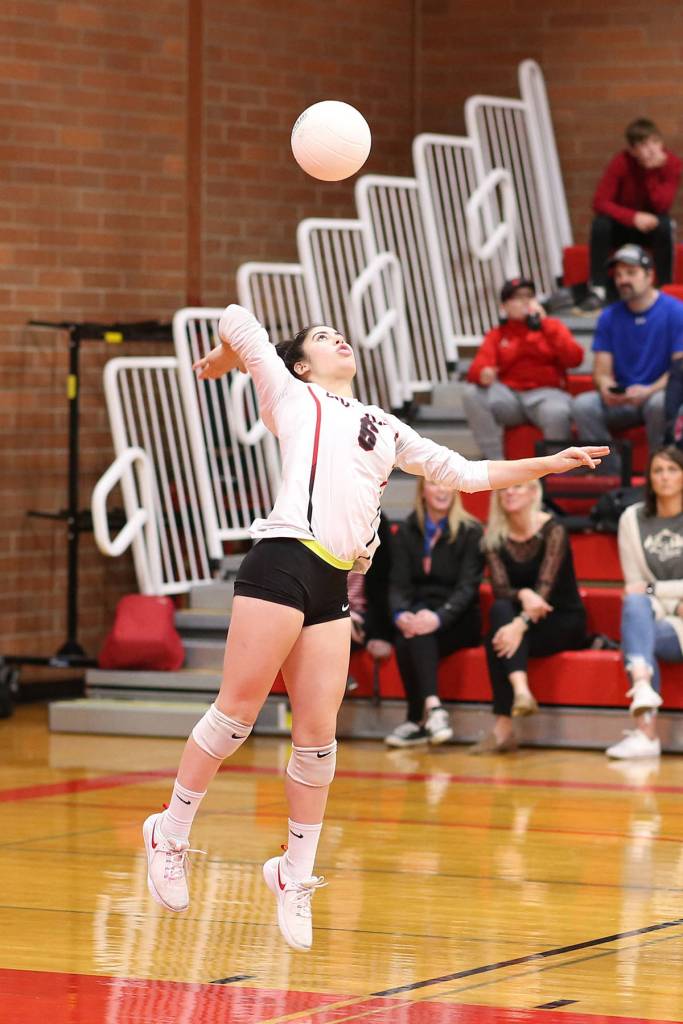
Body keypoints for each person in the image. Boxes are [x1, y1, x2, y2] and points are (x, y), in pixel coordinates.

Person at [141, 303, 608, 952]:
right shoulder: (288, 391)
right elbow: (234, 313)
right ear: (301, 362)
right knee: (235, 718)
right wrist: (230, 357)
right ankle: (169, 833)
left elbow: (470, 475)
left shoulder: (384, 425)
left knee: (317, 740)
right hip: (281, 559)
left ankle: (293, 873)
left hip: (332, 580)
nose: (339, 340)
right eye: (322, 337)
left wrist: (548, 464)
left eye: (342, 335)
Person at [470, 480, 590, 754]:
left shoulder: (553, 529)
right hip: (521, 619)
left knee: (497, 637)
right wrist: (523, 595)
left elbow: (544, 592)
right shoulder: (493, 537)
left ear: (535, 492)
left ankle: (504, 727)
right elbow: (501, 590)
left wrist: (519, 624)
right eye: (504, 488)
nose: (509, 491)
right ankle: (520, 692)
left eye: (518, 486)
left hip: (561, 619)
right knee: (500, 614)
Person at [384, 480, 483, 748]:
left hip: (458, 618)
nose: (441, 490)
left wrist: (438, 617)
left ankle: (418, 719)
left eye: (447, 484)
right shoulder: (406, 531)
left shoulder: (470, 531)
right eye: (433, 484)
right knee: (410, 632)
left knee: (417, 633)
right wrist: (399, 614)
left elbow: (467, 588)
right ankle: (433, 711)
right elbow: (397, 583)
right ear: (421, 491)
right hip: (420, 612)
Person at [573, 244, 683, 466]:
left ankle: (659, 470)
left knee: (660, 404)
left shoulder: (675, 311)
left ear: (650, 275)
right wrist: (606, 387)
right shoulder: (608, 316)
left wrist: (648, 391)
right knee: (583, 405)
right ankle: (610, 476)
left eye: (631, 273)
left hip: (658, 393)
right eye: (619, 274)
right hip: (623, 398)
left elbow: (679, 369)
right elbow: (601, 370)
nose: (623, 280)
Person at [607, 446, 683, 759]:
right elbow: (634, 586)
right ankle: (642, 687)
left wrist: (655, 591)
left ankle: (646, 732)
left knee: (638, 633)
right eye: (658, 471)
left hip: (670, 625)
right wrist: (674, 601)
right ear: (649, 479)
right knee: (635, 607)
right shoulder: (631, 519)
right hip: (655, 616)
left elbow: (645, 587)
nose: (665, 477)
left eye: (673, 469)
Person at [462, 278, 584, 459]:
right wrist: (483, 373)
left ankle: (558, 473)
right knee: (472, 393)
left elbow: (575, 358)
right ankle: (495, 463)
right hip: (511, 398)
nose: (525, 301)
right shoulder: (497, 334)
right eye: (518, 297)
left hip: (546, 394)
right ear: (504, 306)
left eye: (529, 296)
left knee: (557, 412)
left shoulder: (551, 326)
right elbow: (476, 369)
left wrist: (545, 324)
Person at [579, 118, 681, 313]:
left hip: (650, 226)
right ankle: (597, 290)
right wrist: (633, 217)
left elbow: (662, 205)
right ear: (633, 151)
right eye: (643, 144)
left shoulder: (671, 164)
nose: (651, 149)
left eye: (655, 142)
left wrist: (652, 173)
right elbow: (599, 202)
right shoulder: (621, 162)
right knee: (600, 224)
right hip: (622, 225)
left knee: (665, 224)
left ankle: (665, 287)